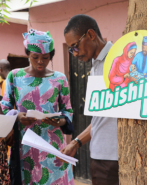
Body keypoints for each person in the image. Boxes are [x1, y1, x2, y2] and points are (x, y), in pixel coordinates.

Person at [1, 29, 74, 185]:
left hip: (53, 148)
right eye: (35, 57)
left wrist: (60, 121)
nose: (40, 61)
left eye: (45, 58)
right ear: (28, 54)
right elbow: (4, 108)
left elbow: (67, 110)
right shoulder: (14, 76)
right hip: (24, 148)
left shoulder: (60, 79)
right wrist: (18, 116)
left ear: (51, 56)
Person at [62, 14, 119, 185]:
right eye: (71, 50)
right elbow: (100, 118)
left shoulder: (117, 60)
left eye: (75, 46)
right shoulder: (96, 66)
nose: (75, 53)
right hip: (99, 154)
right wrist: (76, 142)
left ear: (91, 35)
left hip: (114, 157)